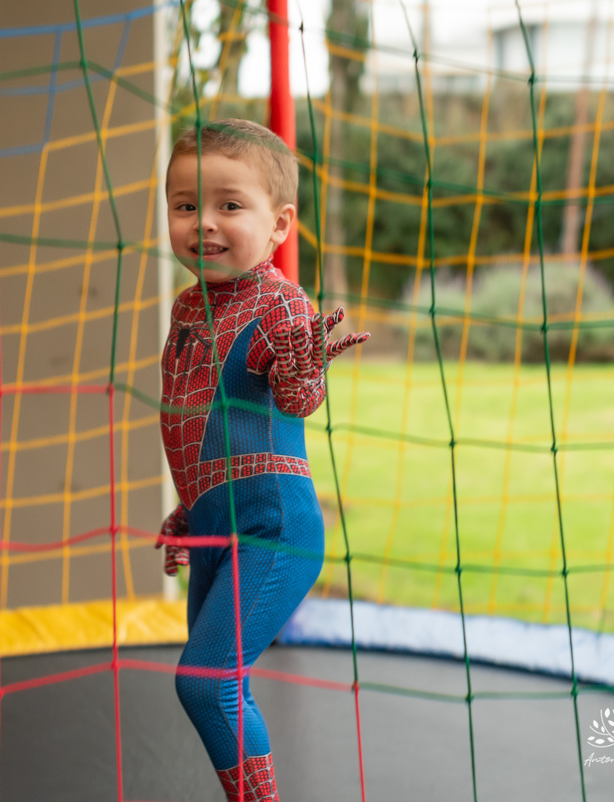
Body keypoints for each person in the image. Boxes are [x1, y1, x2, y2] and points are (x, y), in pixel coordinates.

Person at [155, 119, 369, 801]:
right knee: (224, 684)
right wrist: (190, 508)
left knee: (206, 680)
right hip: (220, 529)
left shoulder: (279, 304)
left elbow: (297, 398)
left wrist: (305, 368)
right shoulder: (188, 307)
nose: (205, 224)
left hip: (274, 530)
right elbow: (197, 423)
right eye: (186, 205)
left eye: (230, 205)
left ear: (279, 226)